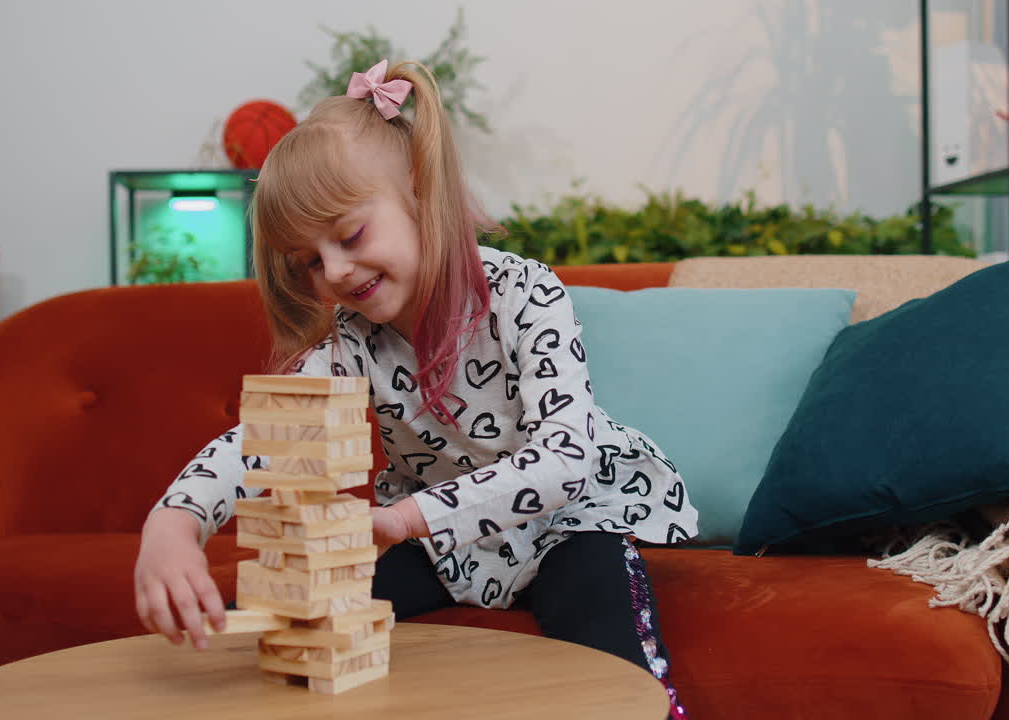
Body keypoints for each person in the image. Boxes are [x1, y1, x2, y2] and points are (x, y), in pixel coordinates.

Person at [133, 59, 697, 718]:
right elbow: (262, 439)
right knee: (277, 622)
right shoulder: (352, 343)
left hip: (571, 522)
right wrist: (174, 522)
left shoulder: (526, 294)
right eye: (310, 262)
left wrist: (402, 520)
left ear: (421, 191)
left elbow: (564, 462)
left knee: (604, 631)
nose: (336, 270)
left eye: (349, 235)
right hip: (440, 544)